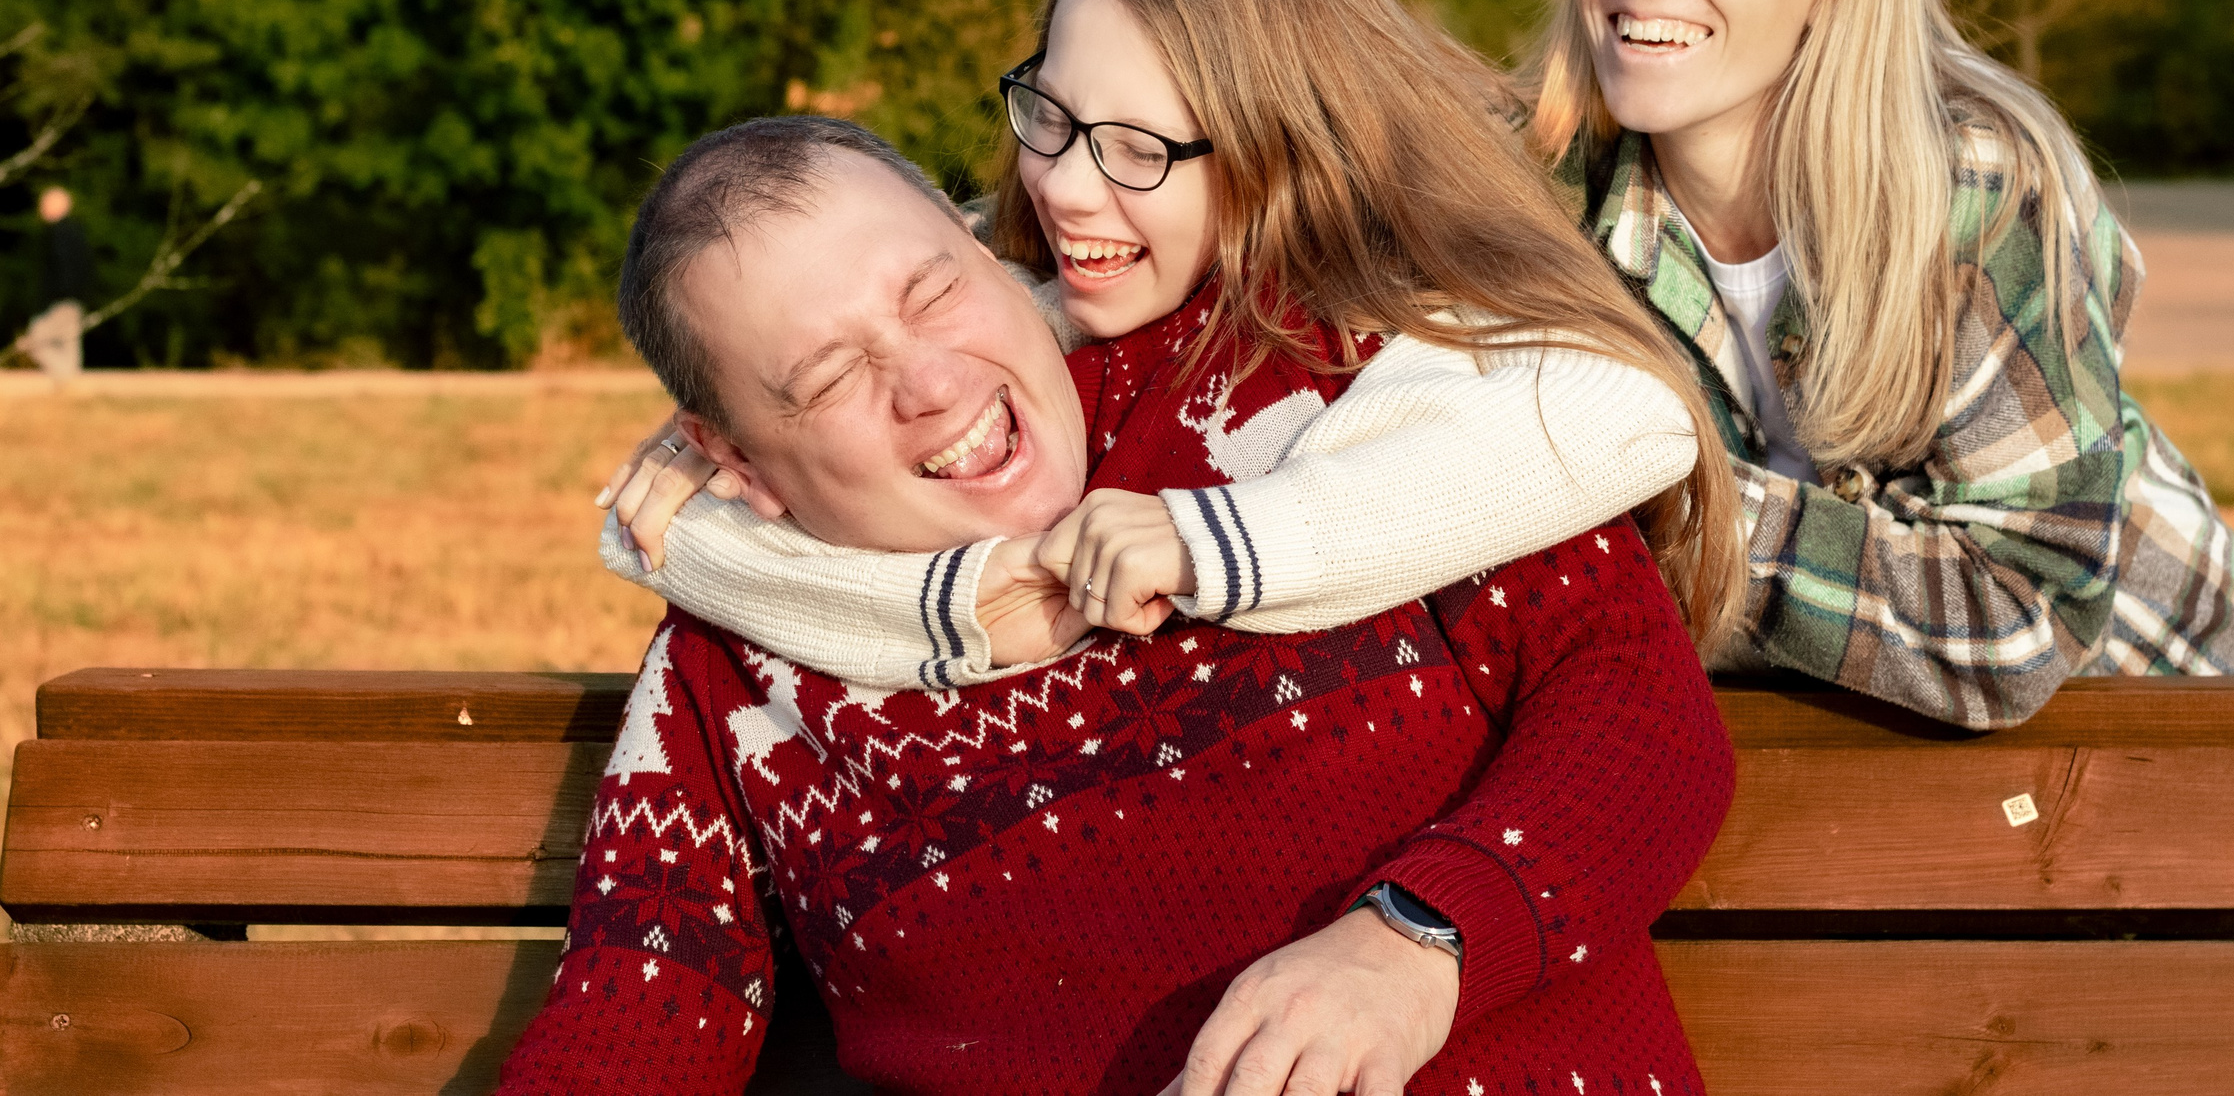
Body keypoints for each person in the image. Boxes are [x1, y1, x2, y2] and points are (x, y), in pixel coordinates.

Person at [496, 116, 1735, 1096]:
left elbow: (1632, 694)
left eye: (932, 293)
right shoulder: (731, 675)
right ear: (738, 461)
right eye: (827, 377)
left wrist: (1416, 948)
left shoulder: (1303, 384)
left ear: (990, 246)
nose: (928, 383)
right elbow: (637, 1008)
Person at [601, 0, 1739, 694]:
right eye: (1051, 115)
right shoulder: (1042, 312)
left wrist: (1215, 543)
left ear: (1289, 154)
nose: (1064, 188)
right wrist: (745, 444)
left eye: (1142, 150)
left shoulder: (1396, 352)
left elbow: (1630, 412)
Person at [1527, 0, 2234, 730]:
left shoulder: (1971, 189)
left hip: (2173, 748)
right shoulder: (1539, 201)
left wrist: (1670, 509)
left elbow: (2017, 611)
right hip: (1862, 775)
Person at [21, 185, 89, 380]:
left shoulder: (58, 235)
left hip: (59, 301)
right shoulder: (77, 232)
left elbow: (60, 271)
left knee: (36, 341)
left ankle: (66, 380)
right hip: (74, 300)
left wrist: (52, 299)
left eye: (45, 204)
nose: (41, 208)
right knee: (69, 345)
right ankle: (71, 389)